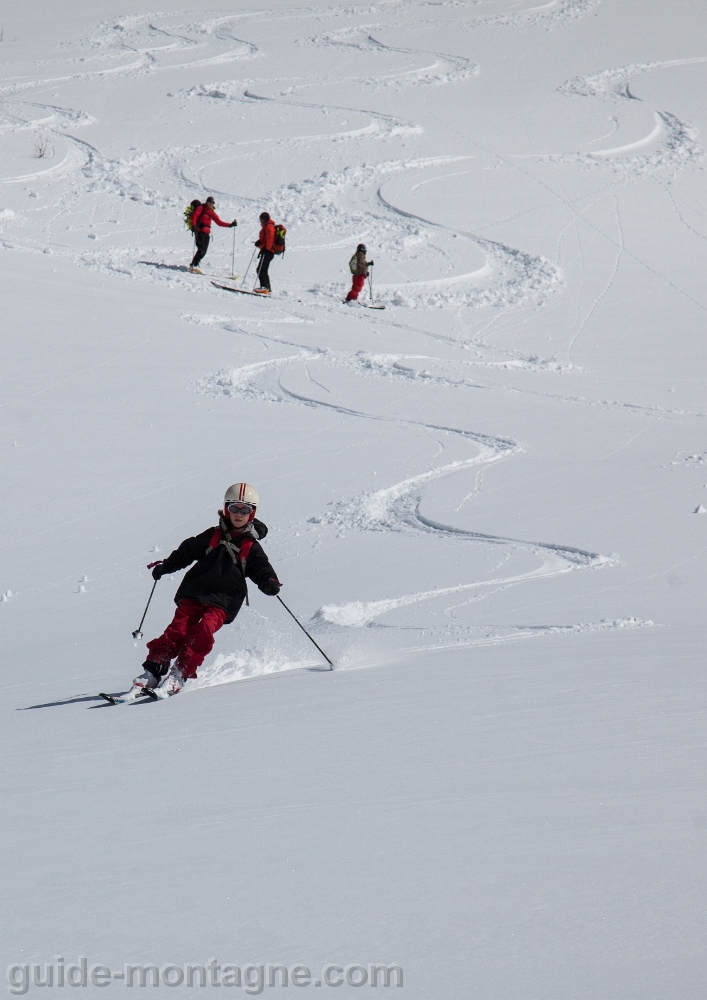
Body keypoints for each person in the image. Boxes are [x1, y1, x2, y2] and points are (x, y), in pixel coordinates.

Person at [131, 484, 281, 697]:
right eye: (235, 508)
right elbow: (187, 551)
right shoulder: (213, 535)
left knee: (204, 630)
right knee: (178, 628)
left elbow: (261, 568)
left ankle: (180, 672)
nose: (239, 514)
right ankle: (154, 669)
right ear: (226, 509)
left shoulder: (250, 546)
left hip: (223, 601)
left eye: (245, 510)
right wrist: (167, 565)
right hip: (195, 592)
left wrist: (270, 582)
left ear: (252, 513)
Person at [189, 196, 237, 273]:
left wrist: (230, 225)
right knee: (200, 249)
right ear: (207, 202)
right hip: (199, 231)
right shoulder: (201, 208)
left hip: (207, 233)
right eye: (210, 202)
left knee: (204, 251)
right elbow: (194, 217)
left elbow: (219, 222)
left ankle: (195, 264)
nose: (211, 204)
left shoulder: (211, 212)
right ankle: (193, 265)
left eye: (213, 203)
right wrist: (194, 226)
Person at [254, 211, 275, 294]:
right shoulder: (266, 226)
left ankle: (265, 287)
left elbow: (270, 239)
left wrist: (267, 248)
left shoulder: (269, 227)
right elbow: (265, 239)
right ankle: (267, 287)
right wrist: (259, 242)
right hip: (267, 251)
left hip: (268, 252)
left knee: (261, 269)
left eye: (261, 219)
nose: (260, 221)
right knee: (263, 270)